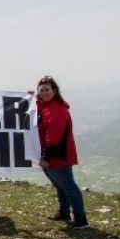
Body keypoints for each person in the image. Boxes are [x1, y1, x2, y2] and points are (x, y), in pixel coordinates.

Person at [36, 75, 88, 228]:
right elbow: (34, 105)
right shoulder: (46, 106)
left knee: (69, 187)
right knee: (60, 185)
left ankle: (80, 219)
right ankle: (64, 212)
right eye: (41, 90)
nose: (44, 93)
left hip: (57, 156)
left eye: (47, 90)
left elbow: (54, 137)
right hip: (54, 155)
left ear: (54, 90)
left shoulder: (56, 110)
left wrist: (46, 156)